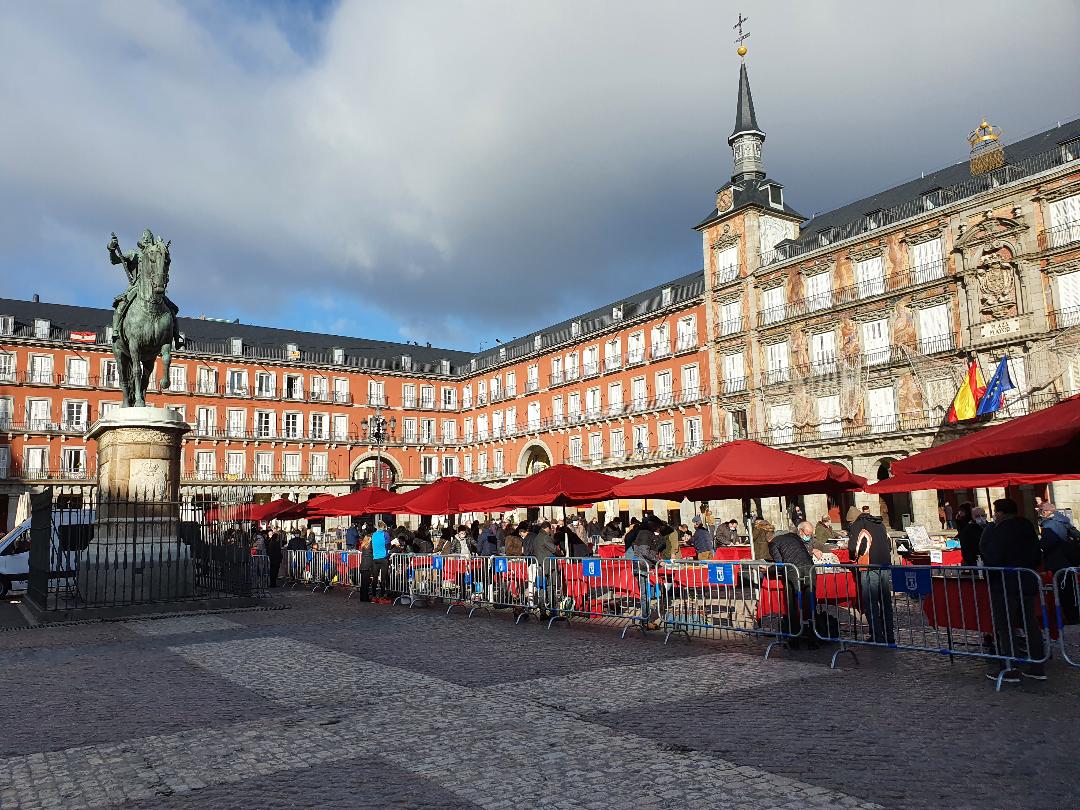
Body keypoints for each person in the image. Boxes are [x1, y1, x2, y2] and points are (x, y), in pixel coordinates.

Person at [980, 498, 1046, 682]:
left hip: (1004, 584)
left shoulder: (998, 530)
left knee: (1005, 625)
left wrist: (990, 530)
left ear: (1000, 513)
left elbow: (992, 556)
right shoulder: (1027, 526)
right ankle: (1037, 666)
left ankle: (1010, 667)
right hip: (1026, 581)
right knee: (1030, 624)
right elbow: (1036, 556)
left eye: (995, 511)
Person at [848, 505, 895, 644]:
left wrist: (854, 555)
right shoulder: (879, 523)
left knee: (871, 602)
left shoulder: (858, 525)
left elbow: (855, 548)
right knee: (885, 601)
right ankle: (889, 635)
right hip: (884, 565)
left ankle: (877, 636)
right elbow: (889, 543)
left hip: (868, 566)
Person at [767, 527, 818, 648]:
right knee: (810, 604)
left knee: (792, 606)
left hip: (793, 572)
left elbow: (780, 564)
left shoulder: (773, 542)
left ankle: (794, 639)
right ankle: (813, 639)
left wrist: (768, 569)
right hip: (810, 569)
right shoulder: (795, 537)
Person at [1038, 501, 1080, 624]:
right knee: (1070, 590)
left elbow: (1048, 543)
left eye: (1041, 511)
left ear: (1046, 512)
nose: (1040, 514)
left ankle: (1070, 617)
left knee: (1063, 591)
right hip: (1068, 561)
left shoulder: (1051, 525)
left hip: (1058, 562)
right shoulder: (1064, 522)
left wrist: (1039, 546)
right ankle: (1073, 615)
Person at [954, 502, 984, 567]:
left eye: (983, 515)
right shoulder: (964, 524)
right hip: (971, 557)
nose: (960, 512)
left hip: (978, 557)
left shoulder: (984, 526)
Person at [371, 521, 390, 602]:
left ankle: (374, 596)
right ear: (384, 527)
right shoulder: (385, 534)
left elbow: (372, 545)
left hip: (375, 558)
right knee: (383, 578)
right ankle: (382, 596)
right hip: (383, 557)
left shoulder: (374, 535)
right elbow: (388, 544)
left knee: (375, 578)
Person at [356, 533, 374, 601]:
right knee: (366, 584)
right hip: (367, 566)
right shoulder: (370, 546)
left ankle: (362, 597)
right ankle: (365, 598)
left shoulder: (363, 546)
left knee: (363, 584)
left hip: (363, 566)